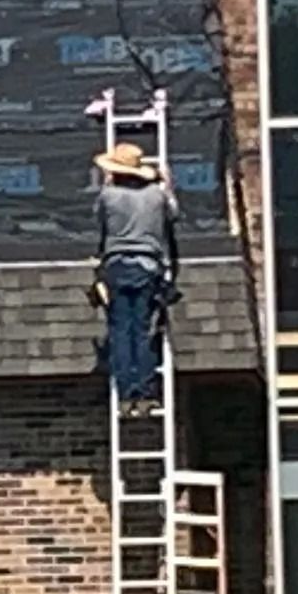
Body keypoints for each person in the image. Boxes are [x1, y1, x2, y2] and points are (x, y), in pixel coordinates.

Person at [92, 142, 179, 416]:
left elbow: (99, 221)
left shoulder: (108, 196)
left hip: (117, 266)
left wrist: (107, 187)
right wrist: (168, 186)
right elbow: (173, 216)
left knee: (120, 331)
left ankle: (126, 394)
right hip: (147, 267)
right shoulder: (156, 196)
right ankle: (145, 393)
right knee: (141, 330)